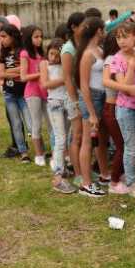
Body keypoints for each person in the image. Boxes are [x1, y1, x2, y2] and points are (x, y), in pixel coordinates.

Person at [75, 17, 111, 197]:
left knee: (101, 140)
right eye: (103, 29)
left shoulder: (99, 50)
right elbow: (83, 86)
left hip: (103, 96)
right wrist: (91, 113)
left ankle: (105, 174)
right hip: (92, 98)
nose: (104, 32)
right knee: (88, 142)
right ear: (98, 30)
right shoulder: (87, 54)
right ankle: (86, 183)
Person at [39, 39, 77, 194]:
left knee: (67, 137)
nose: (54, 58)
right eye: (51, 54)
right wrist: (65, 79)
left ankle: (62, 168)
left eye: (57, 54)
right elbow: (45, 84)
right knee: (60, 138)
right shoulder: (44, 64)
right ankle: (58, 175)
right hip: (54, 103)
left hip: (66, 101)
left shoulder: (65, 64)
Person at [112, 22, 135, 194]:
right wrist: (132, 66)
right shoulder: (117, 59)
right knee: (130, 146)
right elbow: (123, 85)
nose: (121, 41)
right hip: (126, 108)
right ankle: (132, 182)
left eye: (125, 36)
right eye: (118, 37)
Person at [101, 30, 130, 194]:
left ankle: (121, 174)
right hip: (111, 108)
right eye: (120, 38)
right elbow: (107, 81)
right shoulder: (112, 59)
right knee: (121, 145)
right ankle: (114, 181)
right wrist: (127, 87)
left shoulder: (116, 58)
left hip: (115, 106)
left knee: (124, 144)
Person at [0, 23, 32, 162]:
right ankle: (23, 152)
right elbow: (0, 74)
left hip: (24, 93)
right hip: (9, 94)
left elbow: (25, 70)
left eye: (4, 36)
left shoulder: (23, 51)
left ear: (13, 36)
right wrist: (16, 70)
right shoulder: (3, 52)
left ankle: (40, 150)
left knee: (30, 124)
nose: (1, 40)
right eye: (0, 37)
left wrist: (8, 72)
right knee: (16, 124)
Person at [20, 25, 50, 166]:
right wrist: (42, 73)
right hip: (33, 92)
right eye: (36, 37)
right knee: (36, 123)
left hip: (46, 91)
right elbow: (23, 76)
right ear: (28, 38)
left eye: (40, 37)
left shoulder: (43, 53)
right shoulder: (25, 54)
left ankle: (56, 152)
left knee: (51, 123)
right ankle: (39, 154)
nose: (39, 40)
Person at [61, 12, 85, 186]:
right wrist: (75, 101)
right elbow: (68, 78)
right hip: (74, 98)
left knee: (85, 136)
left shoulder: (83, 44)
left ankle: (84, 170)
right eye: (82, 25)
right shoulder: (68, 49)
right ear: (73, 27)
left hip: (85, 96)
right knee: (76, 136)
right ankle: (77, 173)